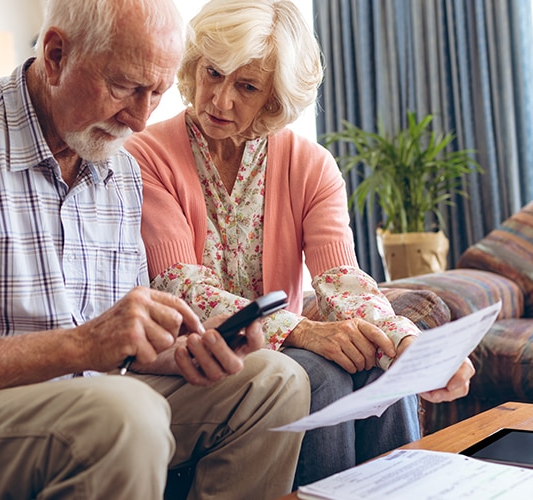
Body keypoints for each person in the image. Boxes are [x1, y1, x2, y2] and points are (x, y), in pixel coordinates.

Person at [0, 0, 310, 498]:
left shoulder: (120, 172)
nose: (138, 119)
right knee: (121, 417)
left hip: (70, 401)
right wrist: (83, 345)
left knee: (273, 382)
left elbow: (110, 350)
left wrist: (182, 355)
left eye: (155, 94)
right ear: (57, 54)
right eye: (125, 86)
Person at [125, 0, 476, 487]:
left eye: (245, 86)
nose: (219, 100)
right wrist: (302, 332)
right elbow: (185, 289)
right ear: (193, 63)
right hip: (195, 360)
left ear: (274, 98)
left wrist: (409, 347)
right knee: (323, 373)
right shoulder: (145, 155)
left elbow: (342, 280)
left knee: (382, 371)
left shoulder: (311, 165)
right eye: (213, 73)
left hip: (283, 354)